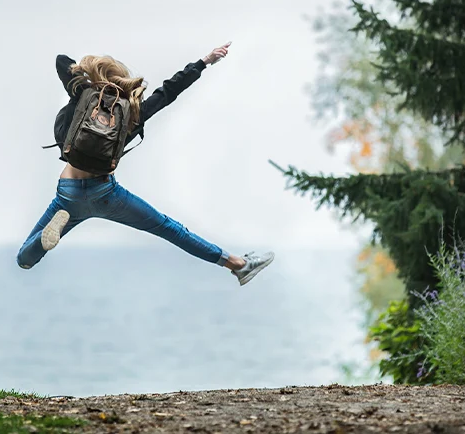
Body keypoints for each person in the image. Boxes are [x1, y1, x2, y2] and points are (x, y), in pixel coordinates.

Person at [16, 42, 274, 286]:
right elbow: (169, 91)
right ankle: (238, 265)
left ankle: (44, 239)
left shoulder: (83, 96)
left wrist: (89, 81)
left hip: (68, 193)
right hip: (105, 193)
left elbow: (62, 61)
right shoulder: (132, 112)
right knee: (170, 229)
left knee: (24, 260)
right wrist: (204, 61)